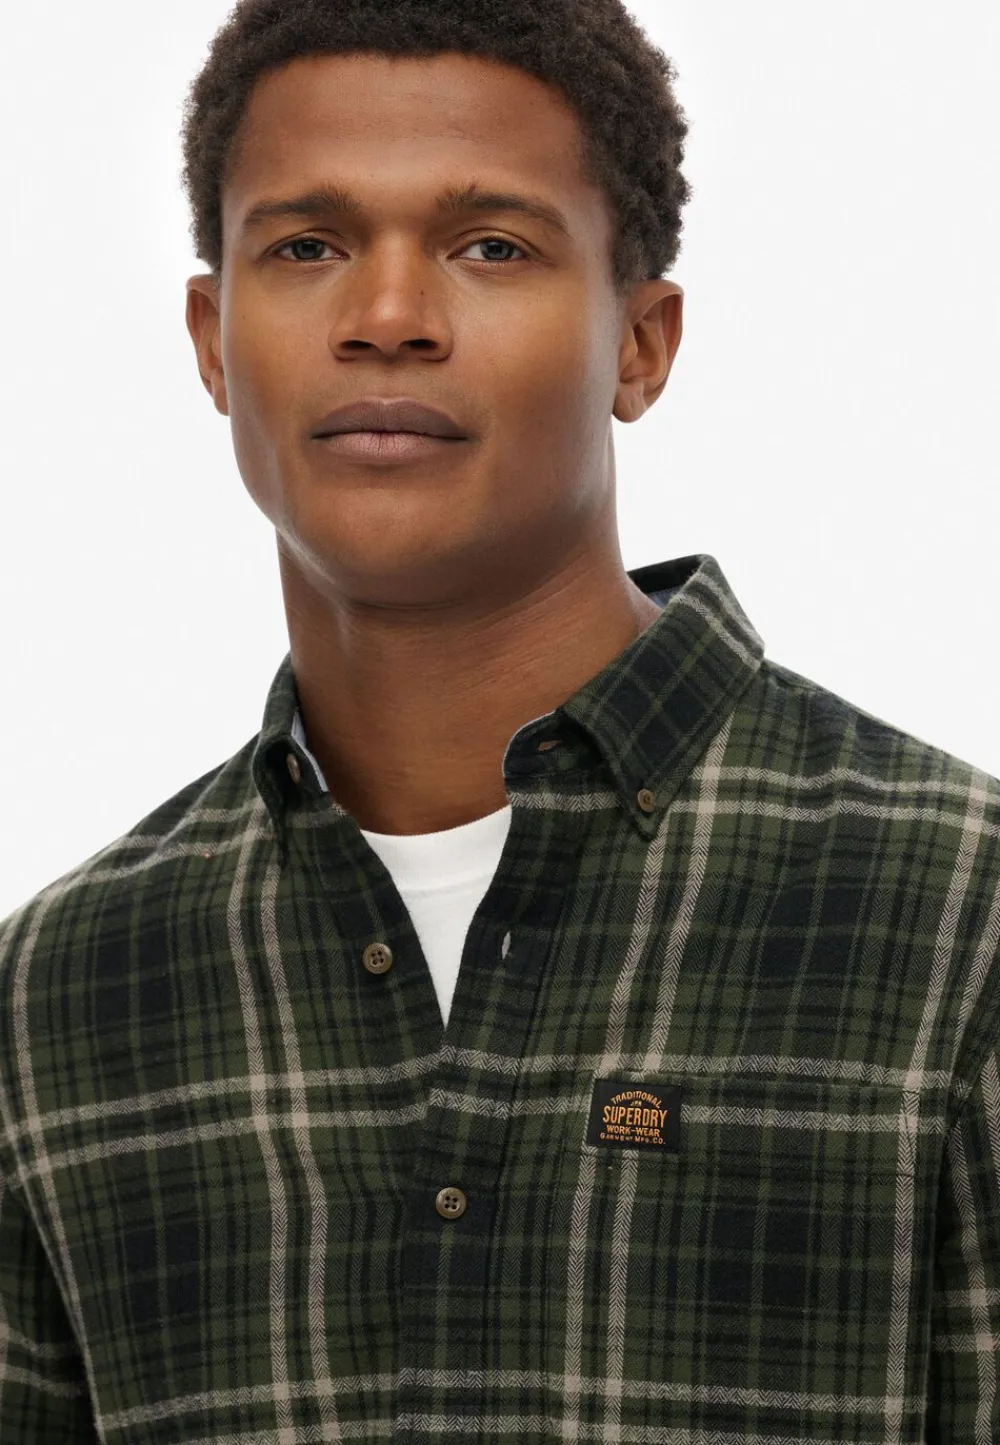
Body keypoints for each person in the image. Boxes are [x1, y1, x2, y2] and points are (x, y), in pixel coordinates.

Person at [1, 0, 998, 1439]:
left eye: (491, 248)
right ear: (213, 342)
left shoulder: (961, 917)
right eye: (307, 246)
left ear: (640, 343)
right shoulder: (56, 1001)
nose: (387, 316)